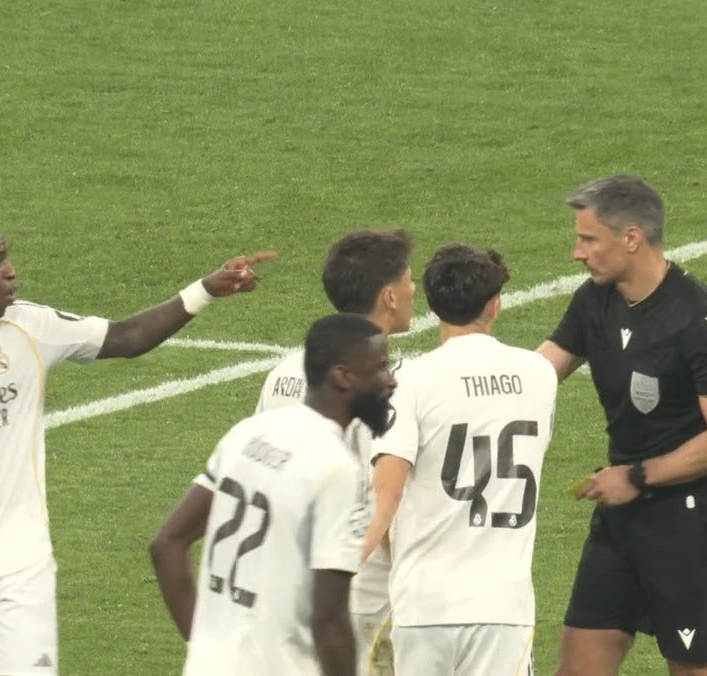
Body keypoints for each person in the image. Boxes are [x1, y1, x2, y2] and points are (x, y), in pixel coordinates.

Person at [0, 198, 274, 674]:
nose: (11, 272)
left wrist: (205, 290)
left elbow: (126, 337)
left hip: (22, 571)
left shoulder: (27, 327)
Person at [538, 175, 707, 676]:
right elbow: (541, 371)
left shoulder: (702, 321)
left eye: (588, 239)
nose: (577, 253)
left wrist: (636, 477)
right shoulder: (595, 299)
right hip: (620, 519)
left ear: (631, 238)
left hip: (689, 525)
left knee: (695, 669)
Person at [152, 312, 397, 676]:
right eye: (379, 368)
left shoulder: (248, 433)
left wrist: (203, 645)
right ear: (343, 377)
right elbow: (329, 621)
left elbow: (168, 543)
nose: (390, 380)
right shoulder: (335, 467)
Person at [364, 244, 557, 675]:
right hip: (503, 606)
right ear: (495, 305)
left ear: (432, 307)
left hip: (424, 605)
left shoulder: (409, 381)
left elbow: (386, 494)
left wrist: (335, 572)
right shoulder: (539, 374)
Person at [255, 229, 415, 675]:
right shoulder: (391, 385)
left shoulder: (283, 373)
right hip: (358, 598)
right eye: (409, 280)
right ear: (389, 297)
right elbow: (385, 495)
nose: (413, 290)